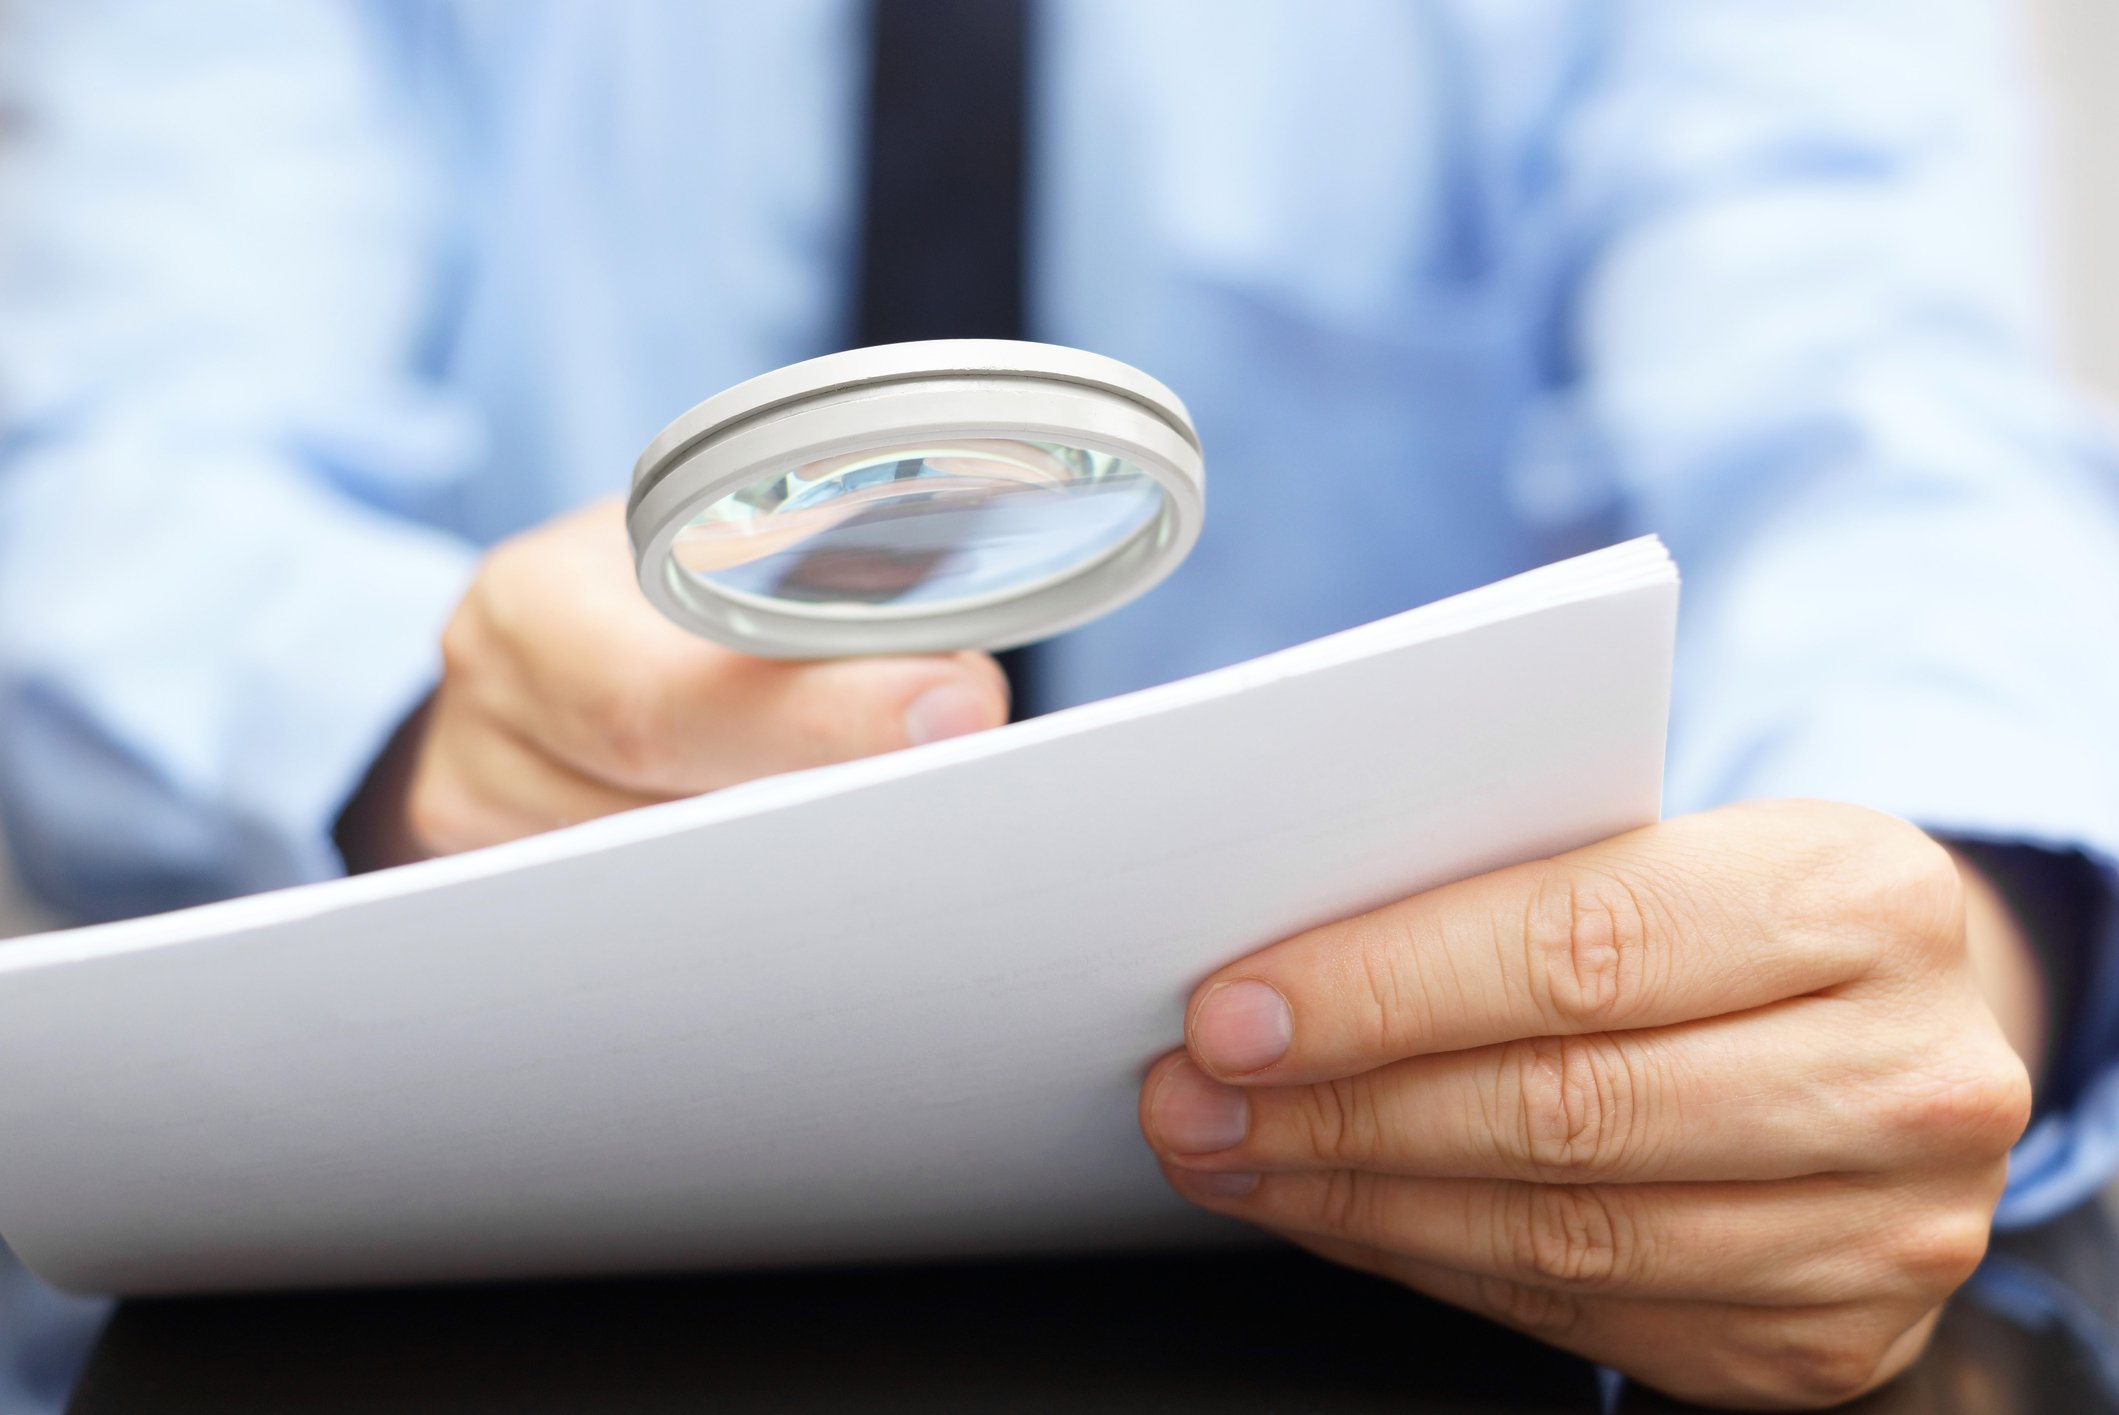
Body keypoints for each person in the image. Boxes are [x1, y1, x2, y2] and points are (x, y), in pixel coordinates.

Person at [3, 2, 2118, 1408]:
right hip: (468, 1265)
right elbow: (113, 458)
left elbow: (1881, 423)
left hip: (1424, 1277)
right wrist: (425, 732)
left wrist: (1937, 941)